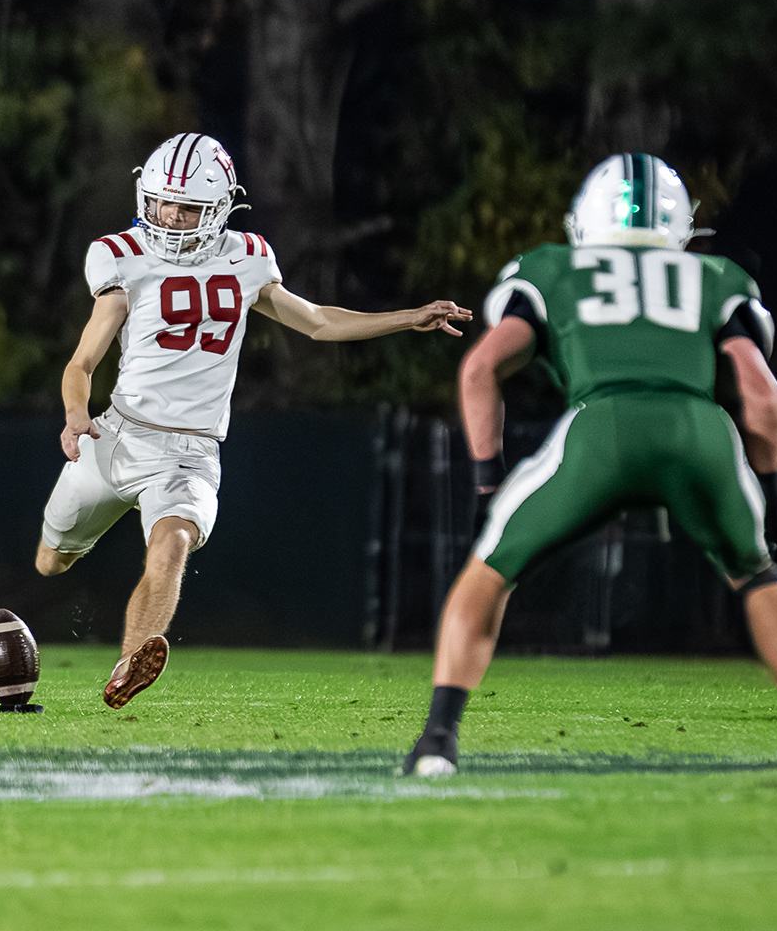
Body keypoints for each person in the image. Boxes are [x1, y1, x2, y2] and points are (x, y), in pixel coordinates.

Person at [403, 152, 777, 778]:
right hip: (699, 431)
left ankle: (438, 741)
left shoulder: (552, 269)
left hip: (602, 427)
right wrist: (770, 498)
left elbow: (481, 369)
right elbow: (762, 393)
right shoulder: (715, 276)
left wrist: (487, 481)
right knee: (758, 574)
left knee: (487, 573)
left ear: (586, 219)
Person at [36, 132, 472, 708]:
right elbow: (82, 363)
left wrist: (407, 317)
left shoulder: (246, 258)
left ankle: (128, 663)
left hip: (189, 453)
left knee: (172, 545)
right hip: (116, 435)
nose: (169, 216)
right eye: (161, 202)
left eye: (186, 207)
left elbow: (316, 321)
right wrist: (75, 414)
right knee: (52, 562)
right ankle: (86, 571)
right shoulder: (123, 256)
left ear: (219, 209)